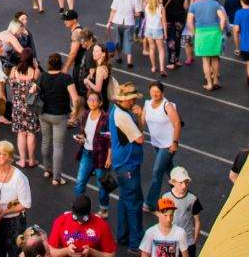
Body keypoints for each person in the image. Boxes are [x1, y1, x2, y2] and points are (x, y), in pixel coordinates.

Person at [108, 83, 147, 251]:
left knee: (124, 201)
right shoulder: (123, 116)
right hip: (128, 164)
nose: (133, 102)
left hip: (122, 163)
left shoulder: (116, 111)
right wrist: (140, 117)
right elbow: (140, 138)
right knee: (134, 203)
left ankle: (122, 236)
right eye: (131, 100)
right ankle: (136, 242)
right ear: (125, 100)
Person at [38, 51, 78, 186]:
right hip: (60, 116)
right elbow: (75, 99)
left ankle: (46, 169)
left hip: (44, 114)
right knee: (58, 147)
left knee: (45, 142)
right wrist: (74, 114)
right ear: (60, 64)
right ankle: (56, 177)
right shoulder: (66, 78)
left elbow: (34, 90)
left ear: (49, 64)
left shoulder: (43, 76)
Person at [142, 81, 182, 212]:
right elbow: (141, 122)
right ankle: (182, 190)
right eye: (152, 91)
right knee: (169, 170)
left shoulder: (167, 106)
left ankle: (150, 203)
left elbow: (177, 124)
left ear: (162, 93)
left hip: (168, 145)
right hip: (157, 143)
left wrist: (175, 143)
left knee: (157, 171)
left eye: (157, 91)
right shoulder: (147, 104)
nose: (155, 93)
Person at [72, 90, 112, 217]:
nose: (91, 102)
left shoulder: (106, 119)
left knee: (102, 185)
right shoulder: (85, 115)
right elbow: (84, 133)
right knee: (79, 182)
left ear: (100, 102)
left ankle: (104, 209)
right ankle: (79, 209)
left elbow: (110, 139)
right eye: (89, 99)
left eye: (94, 100)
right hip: (87, 153)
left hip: (101, 155)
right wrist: (81, 137)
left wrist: (109, 157)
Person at [187, 0, 228, 91]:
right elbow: (223, 18)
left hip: (201, 33)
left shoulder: (194, 5)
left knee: (205, 60)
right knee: (215, 57)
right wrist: (220, 29)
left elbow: (189, 21)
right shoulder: (215, 3)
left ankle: (209, 83)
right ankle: (216, 81)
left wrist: (194, 32)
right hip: (214, 32)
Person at [46, 194, 116, 257]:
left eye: (83, 218)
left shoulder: (102, 225)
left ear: (89, 211)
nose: (80, 222)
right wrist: (66, 251)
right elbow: (51, 251)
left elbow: (111, 254)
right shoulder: (61, 221)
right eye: (76, 218)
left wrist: (92, 252)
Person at [160, 166, 203, 249]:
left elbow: (197, 222)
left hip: (187, 243)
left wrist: (194, 241)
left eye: (186, 182)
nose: (184, 186)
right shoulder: (165, 197)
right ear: (173, 182)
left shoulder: (192, 199)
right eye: (181, 183)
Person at [108, 0, 141, 70]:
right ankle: (129, 62)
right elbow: (138, 13)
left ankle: (118, 57)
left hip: (117, 21)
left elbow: (113, 10)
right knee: (128, 41)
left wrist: (109, 22)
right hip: (129, 22)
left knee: (118, 40)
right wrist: (132, 14)